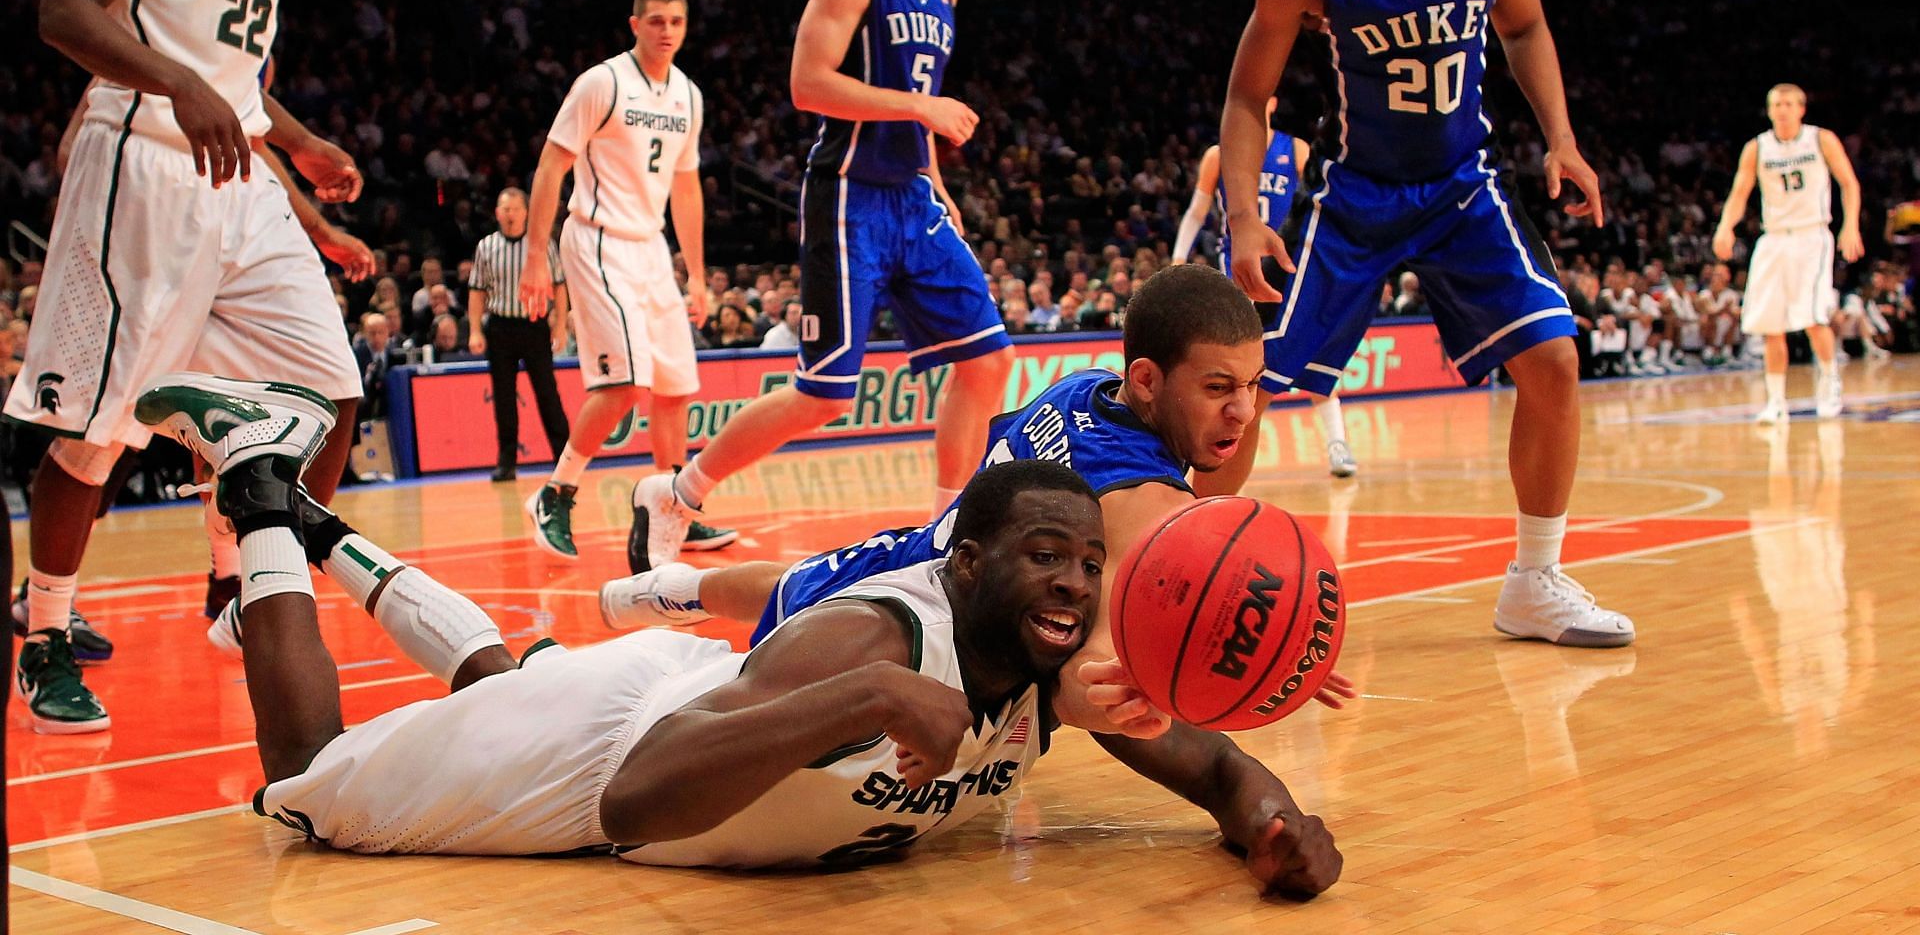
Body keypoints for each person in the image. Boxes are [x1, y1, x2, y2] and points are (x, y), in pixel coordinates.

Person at [147, 374, 1338, 896]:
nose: (1075, 585)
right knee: (306, 784)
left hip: (684, 712)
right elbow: (638, 799)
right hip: (611, 759)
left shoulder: (1059, 668)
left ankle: (316, 521)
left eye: (1088, 561)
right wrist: (870, 695)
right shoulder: (872, 636)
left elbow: (1225, 768)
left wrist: (1282, 831)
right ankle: (259, 481)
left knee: (495, 682)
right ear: (964, 561)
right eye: (1044, 556)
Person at [1218, 0, 1631, 649]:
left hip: (1461, 185)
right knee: (1243, 384)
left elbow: (1522, 27)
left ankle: (1534, 582)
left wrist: (1561, 136)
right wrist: (1245, 216)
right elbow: (1248, 98)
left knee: (1555, 363)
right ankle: (1182, 572)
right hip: (1355, 192)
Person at [1, 0, 365, 733]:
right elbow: (64, 8)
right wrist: (180, 83)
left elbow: (240, 79)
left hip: (237, 170)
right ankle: (44, 634)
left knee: (328, 391)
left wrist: (303, 139)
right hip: (145, 162)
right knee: (97, 429)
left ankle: (248, 596)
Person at [605, 265, 1356, 732]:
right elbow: (1119, 650)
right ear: (1150, 380)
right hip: (922, 617)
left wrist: (1245, 391)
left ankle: (653, 592)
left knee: (790, 583)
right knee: (736, 692)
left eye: (1255, 388)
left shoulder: (1086, 388)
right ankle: (651, 619)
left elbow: (1211, 476)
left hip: (934, 551)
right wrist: (1273, 655)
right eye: (1220, 388)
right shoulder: (1141, 503)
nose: (1244, 411)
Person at [628, 0, 1013, 572]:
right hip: (849, 197)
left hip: (912, 197)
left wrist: (934, 175)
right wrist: (921, 114)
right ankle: (679, 492)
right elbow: (808, 83)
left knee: (988, 360)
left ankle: (944, 533)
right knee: (825, 392)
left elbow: (919, 94)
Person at [517, 0, 734, 558]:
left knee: (675, 388)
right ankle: (556, 492)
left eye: (678, 22)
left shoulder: (687, 93)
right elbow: (550, 166)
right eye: (657, 21)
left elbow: (686, 188)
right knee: (626, 384)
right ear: (634, 24)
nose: (667, 31)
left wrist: (695, 273)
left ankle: (671, 506)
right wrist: (535, 256)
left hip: (650, 246)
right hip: (596, 238)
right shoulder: (602, 82)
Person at [1172, 107, 1358, 481]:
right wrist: (1178, 257)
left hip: (1287, 269)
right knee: (1232, 369)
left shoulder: (1297, 148)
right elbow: (1196, 212)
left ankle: (1337, 442)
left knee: (1308, 354)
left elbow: (1320, 205)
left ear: (1272, 102)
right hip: (1236, 276)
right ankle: (1211, 455)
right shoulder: (1218, 154)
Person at [1712, 83, 1866, 422]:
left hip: (1812, 235)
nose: (1781, 109)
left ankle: (1829, 384)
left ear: (1801, 108)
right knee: (1771, 325)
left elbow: (1849, 183)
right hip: (1774, 238)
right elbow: (1739, 193)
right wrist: (1725, 226)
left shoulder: (1820, 139)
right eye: (1775, 104)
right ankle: (1776, 401)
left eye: (1787, 104)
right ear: (1769, 110)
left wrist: (1850, 225)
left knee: (1813, 319)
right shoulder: (1757, 148)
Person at [468, 187, 570, 483]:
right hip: (500, 326)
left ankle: (563, 459)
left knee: (547, 393)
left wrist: (560, 324)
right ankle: (507, 462)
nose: (510, 214)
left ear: (526, 213)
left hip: (534, 325)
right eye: (505, 209)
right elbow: (477, 291)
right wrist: (475, 329)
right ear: (497, 213)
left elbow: (560, 285)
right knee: (503, 397)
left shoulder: (542, 246)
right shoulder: (486, 247)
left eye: (515, 209)